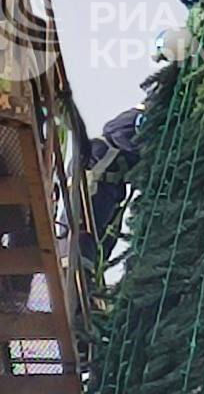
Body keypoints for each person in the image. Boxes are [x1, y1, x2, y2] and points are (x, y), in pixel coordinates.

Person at [80, 107, 144, 279]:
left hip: (112, 184)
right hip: (99, 169)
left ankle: (89, 279)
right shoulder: (142, 117)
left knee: (105, 237)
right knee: (85, 226)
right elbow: (120, 134)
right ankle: (80, 278)